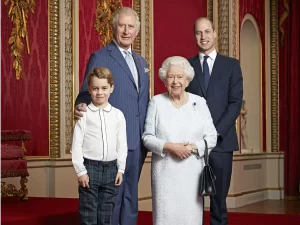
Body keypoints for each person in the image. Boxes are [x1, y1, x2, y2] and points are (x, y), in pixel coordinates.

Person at [74, 7, 149, 225]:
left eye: (131, 26)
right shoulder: (100, 56)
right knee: (112, 200)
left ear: (136, 31)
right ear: (114, 27)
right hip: (112, 142)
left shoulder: (141, 62)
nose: (126, 31)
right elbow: (85, 94)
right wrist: (80, 107)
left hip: (137, 140)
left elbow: (142, 101)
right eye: (122, 25)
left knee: (131, 196)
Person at [142, 56, 217, 225]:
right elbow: (147, 138)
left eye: (180, 77)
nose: (175, 81)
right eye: (171, 77)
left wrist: (191, 147)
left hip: (192, 174)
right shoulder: (157, 102)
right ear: (164, 79)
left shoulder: (200, 103)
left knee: (190, 218)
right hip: (164, 174)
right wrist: (170, 147)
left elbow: (212, 137)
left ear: (187, 79)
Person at [186, 17, 243, 225]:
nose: (203, 37)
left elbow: (235, 104)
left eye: (207, 32)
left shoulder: (231, 66)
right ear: (194, 36)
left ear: (215, 33)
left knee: (219, 201)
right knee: (193, 200)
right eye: (199, 33)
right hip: (193, 144)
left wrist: (214, 133)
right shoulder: (187, 66)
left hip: (221, 142)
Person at [71, 67, 128, 225]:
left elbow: (122, 144)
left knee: (106, 214)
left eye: (104, 88)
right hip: (90, 168)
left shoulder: (118, 115)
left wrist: (121, 169)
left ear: (112, 88)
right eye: (95, 88)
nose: (99, 93)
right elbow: (76, 146)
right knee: (88, 213)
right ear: (89, 89)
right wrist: (81, 171)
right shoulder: (84, 114)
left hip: (111, 170)